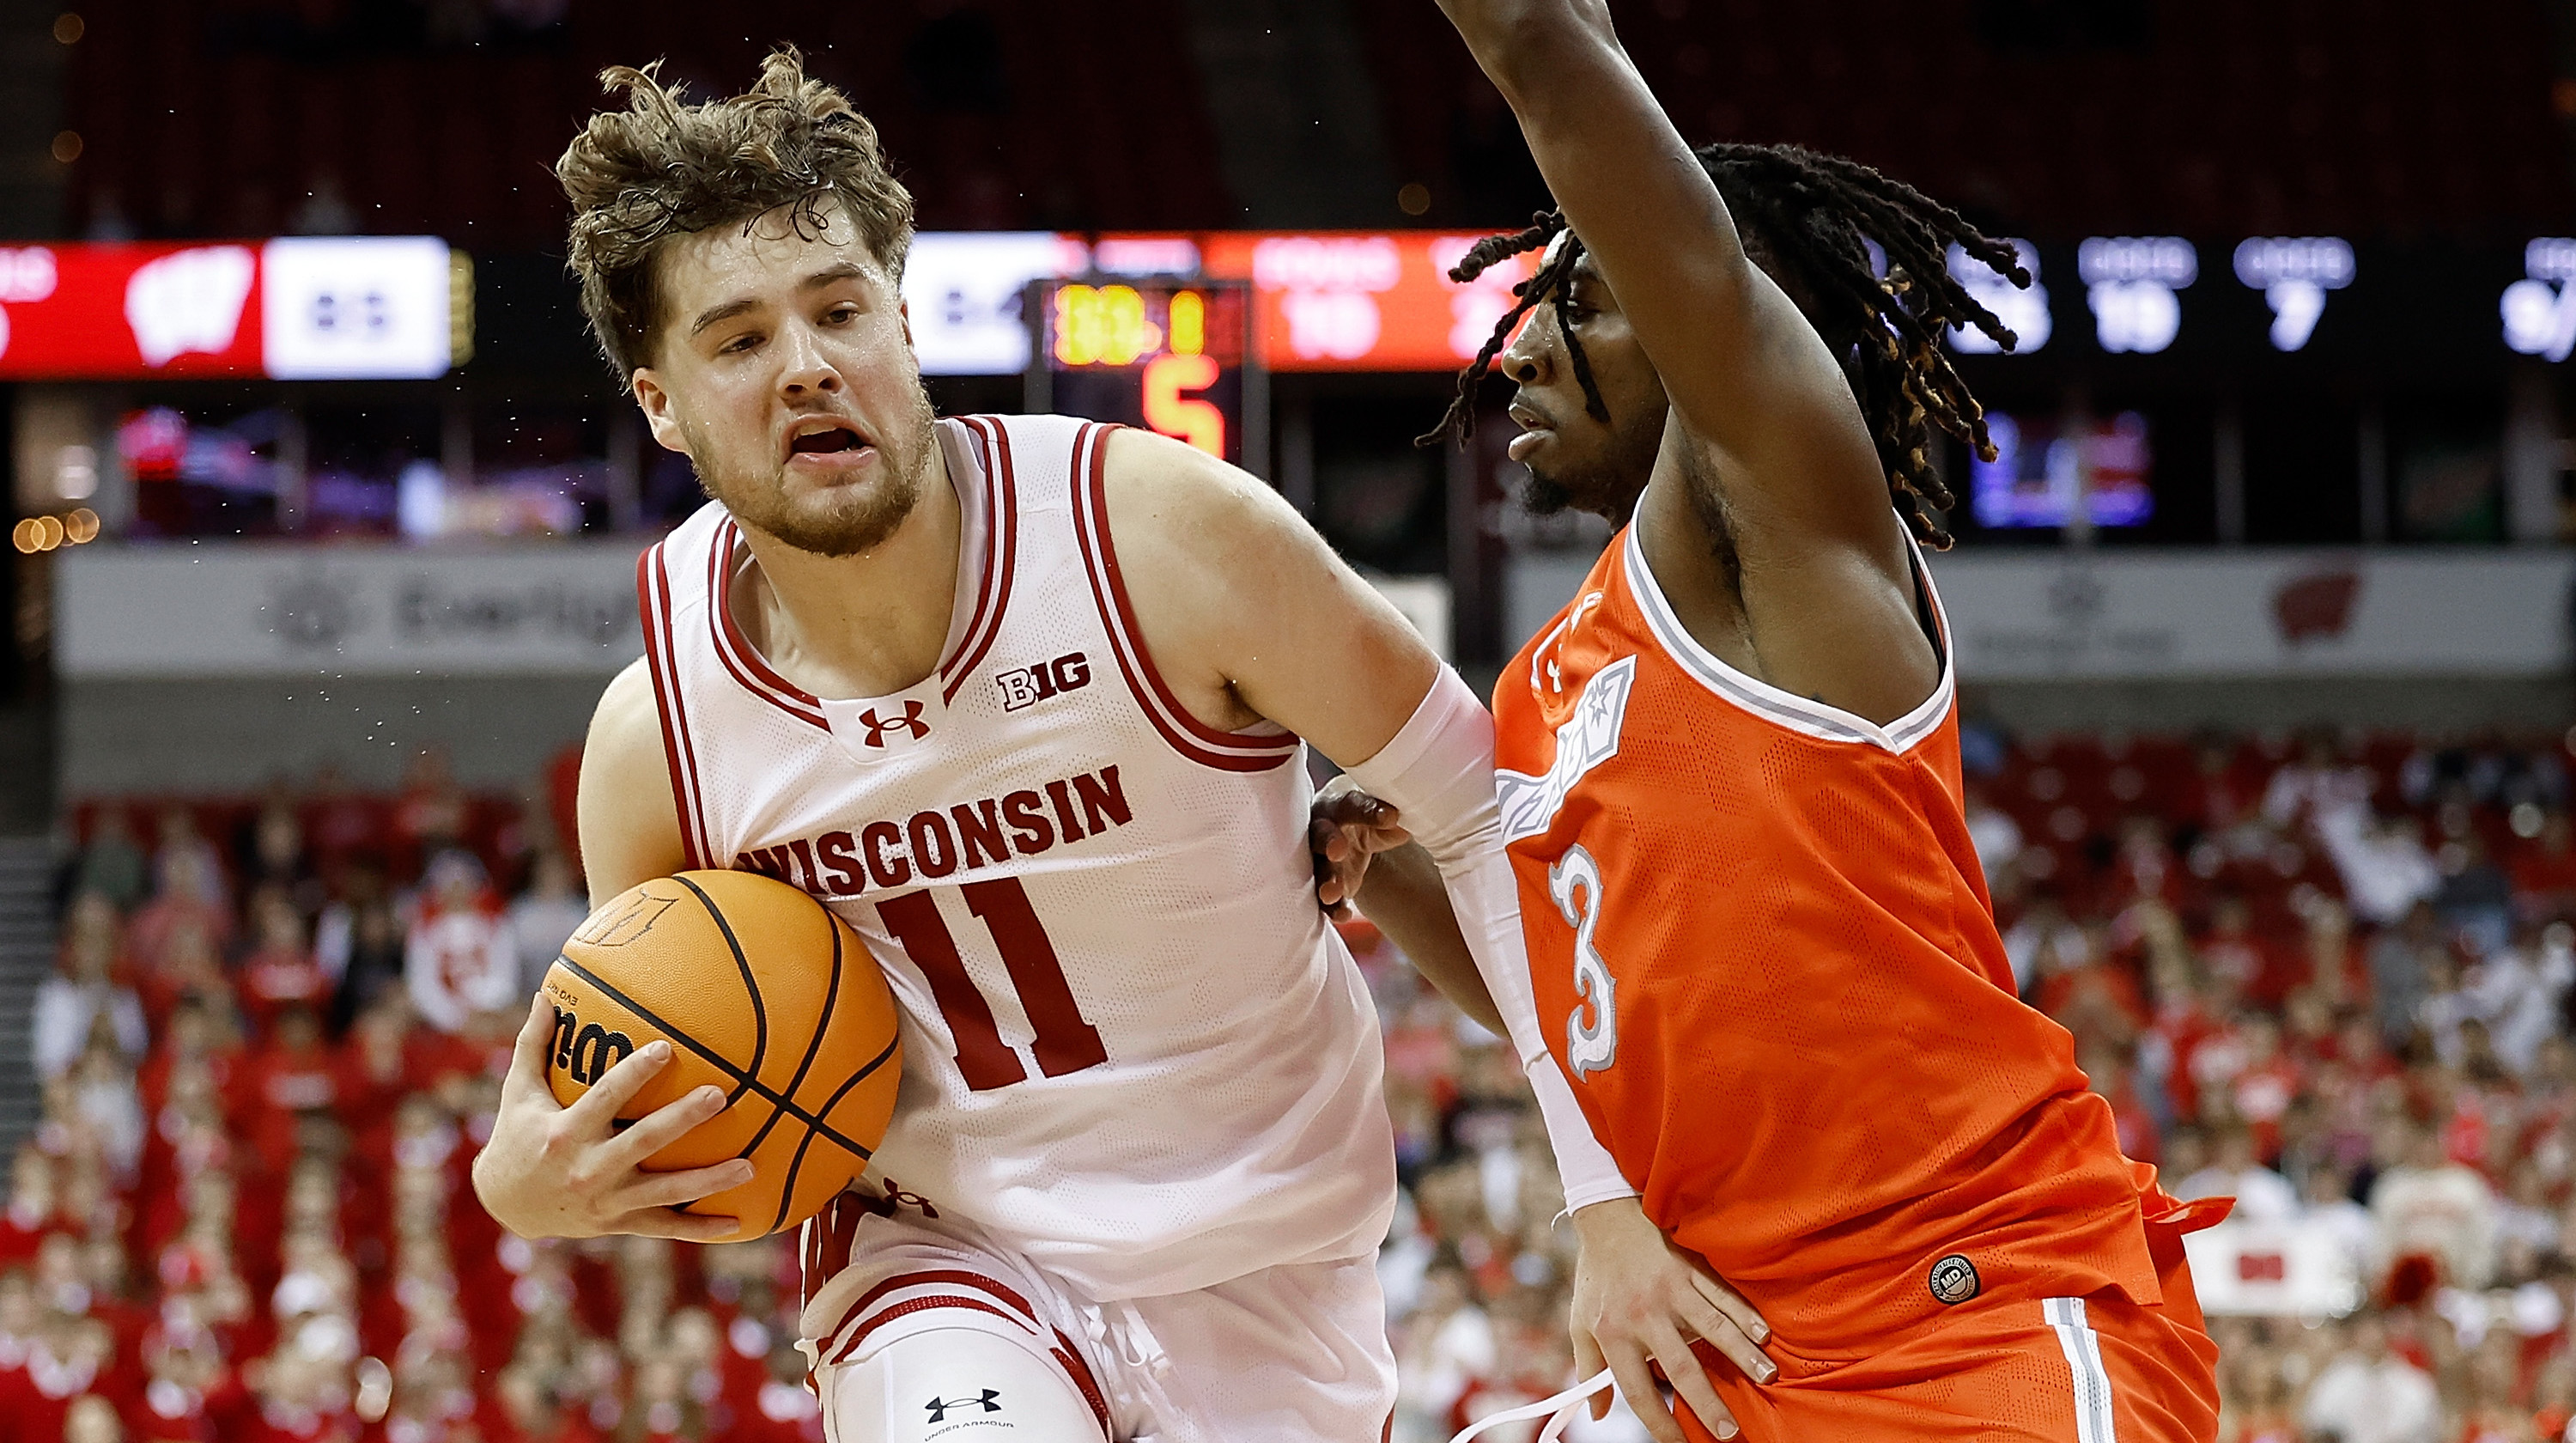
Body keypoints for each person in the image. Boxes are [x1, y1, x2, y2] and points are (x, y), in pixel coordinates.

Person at [466, 46, 1755, 1443]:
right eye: (737, 342)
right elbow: (690, 1091)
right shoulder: (661, 736)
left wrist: (1605, 1198)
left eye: (839, 312)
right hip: (944, 1267)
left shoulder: (1163, 537)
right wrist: (522, 1184)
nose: (808, 368)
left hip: (1273, 1257)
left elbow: (1487, 812)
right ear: (659, 402)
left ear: (903, 323)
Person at [1320, 3, 2227, 1439]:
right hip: (1742, 1343)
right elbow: (1576, 1001)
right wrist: (1377, 872)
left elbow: (1556, 66)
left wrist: (1546, 39)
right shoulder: (1546, 674)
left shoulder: (1791, 533)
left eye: (1585, 305)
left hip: (1968, 1313)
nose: (1522, 352)